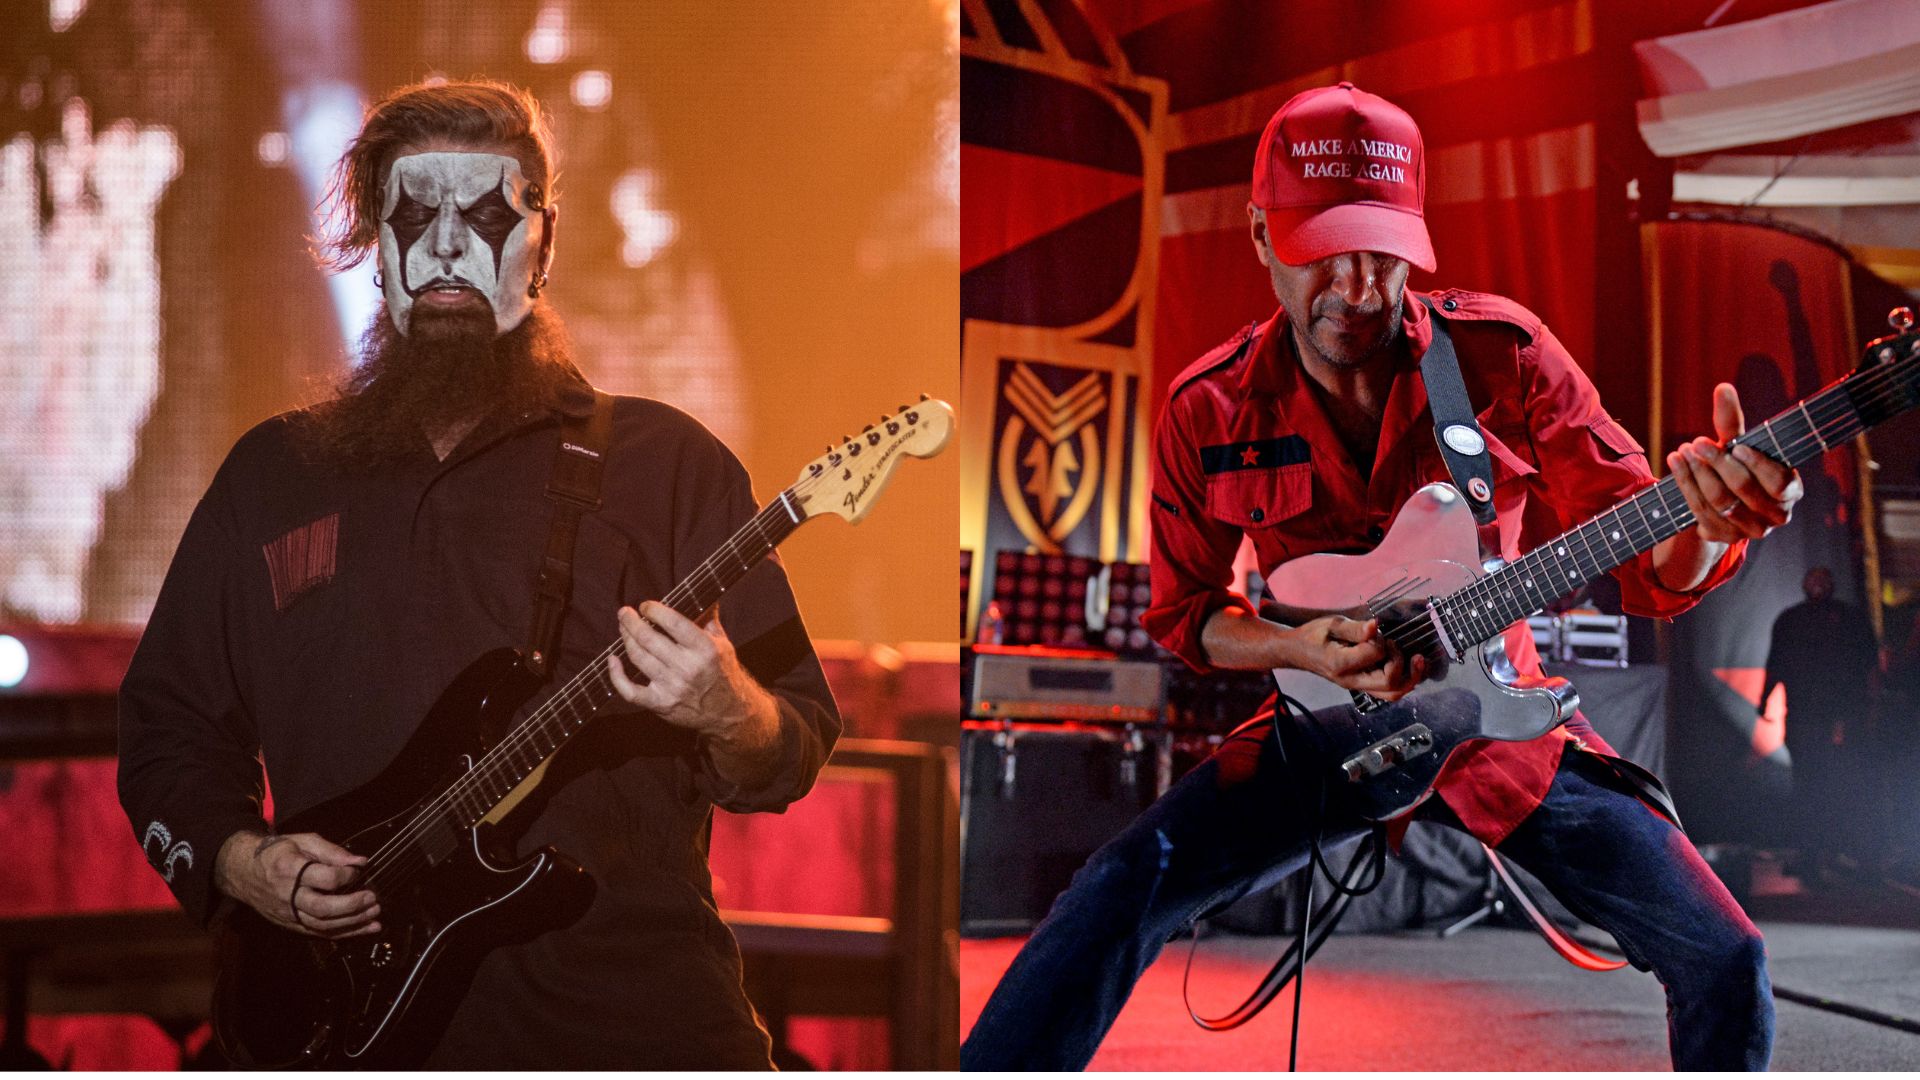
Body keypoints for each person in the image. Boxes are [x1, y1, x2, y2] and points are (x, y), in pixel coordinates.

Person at [962, 83, 1799, 1071]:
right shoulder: (1207, 409)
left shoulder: (1504, 356)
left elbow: (1656, 560)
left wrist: (1709, 524)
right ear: (1262, 235)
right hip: (1321, 724)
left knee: (1726, 954)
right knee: (1113, 893)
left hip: (1501, 724)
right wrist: (1300, 648)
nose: (1358, 288)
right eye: (1323, 250)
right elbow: (1190, 616)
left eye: (1383, 253)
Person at [116, 80, 840, 1068]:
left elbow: (791, 747)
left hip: (629, 1029)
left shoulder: (667, 465)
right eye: (416, 216)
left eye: (489, 216)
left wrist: (728, 710)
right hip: (341, 1030)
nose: (450, 247)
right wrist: (244, 863)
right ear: (374, 245)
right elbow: (169, 729)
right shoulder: (273, 476)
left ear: (545, 242)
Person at [1760, 566, 1879, 877]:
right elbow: (1776, 663)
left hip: (1843, 718)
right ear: (1804, 584)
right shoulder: (1790, 620)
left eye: (1823, 579)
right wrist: (1764, 700)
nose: (1818, 585)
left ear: (1832, 584)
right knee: (1808, 785)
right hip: (1802, 718)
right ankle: (1811, 855)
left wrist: (1867, 709)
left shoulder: (1850, 619)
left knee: (1839, 784)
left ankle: (1838, 853)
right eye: (1813, 579)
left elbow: (1868, 665)